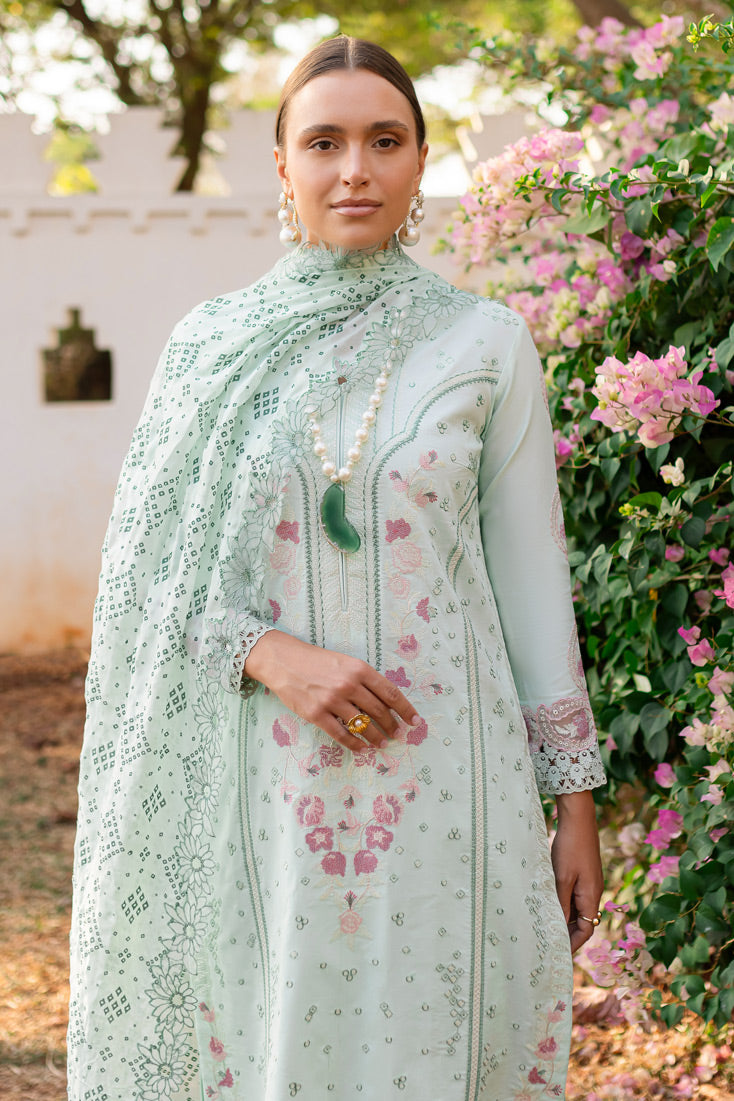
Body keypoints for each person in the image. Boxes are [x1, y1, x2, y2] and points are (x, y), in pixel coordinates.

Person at [68, 36, 605, 1101]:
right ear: (282, 165)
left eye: (383, 141)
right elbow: (143, 579)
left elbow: (531, 579)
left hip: (450, 781)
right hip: (262, 782)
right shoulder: (209, 346)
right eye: (324, 142)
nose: (354, 169)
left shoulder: (485, 342)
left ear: (419, 162)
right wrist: (269, 654)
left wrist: (575, 802)